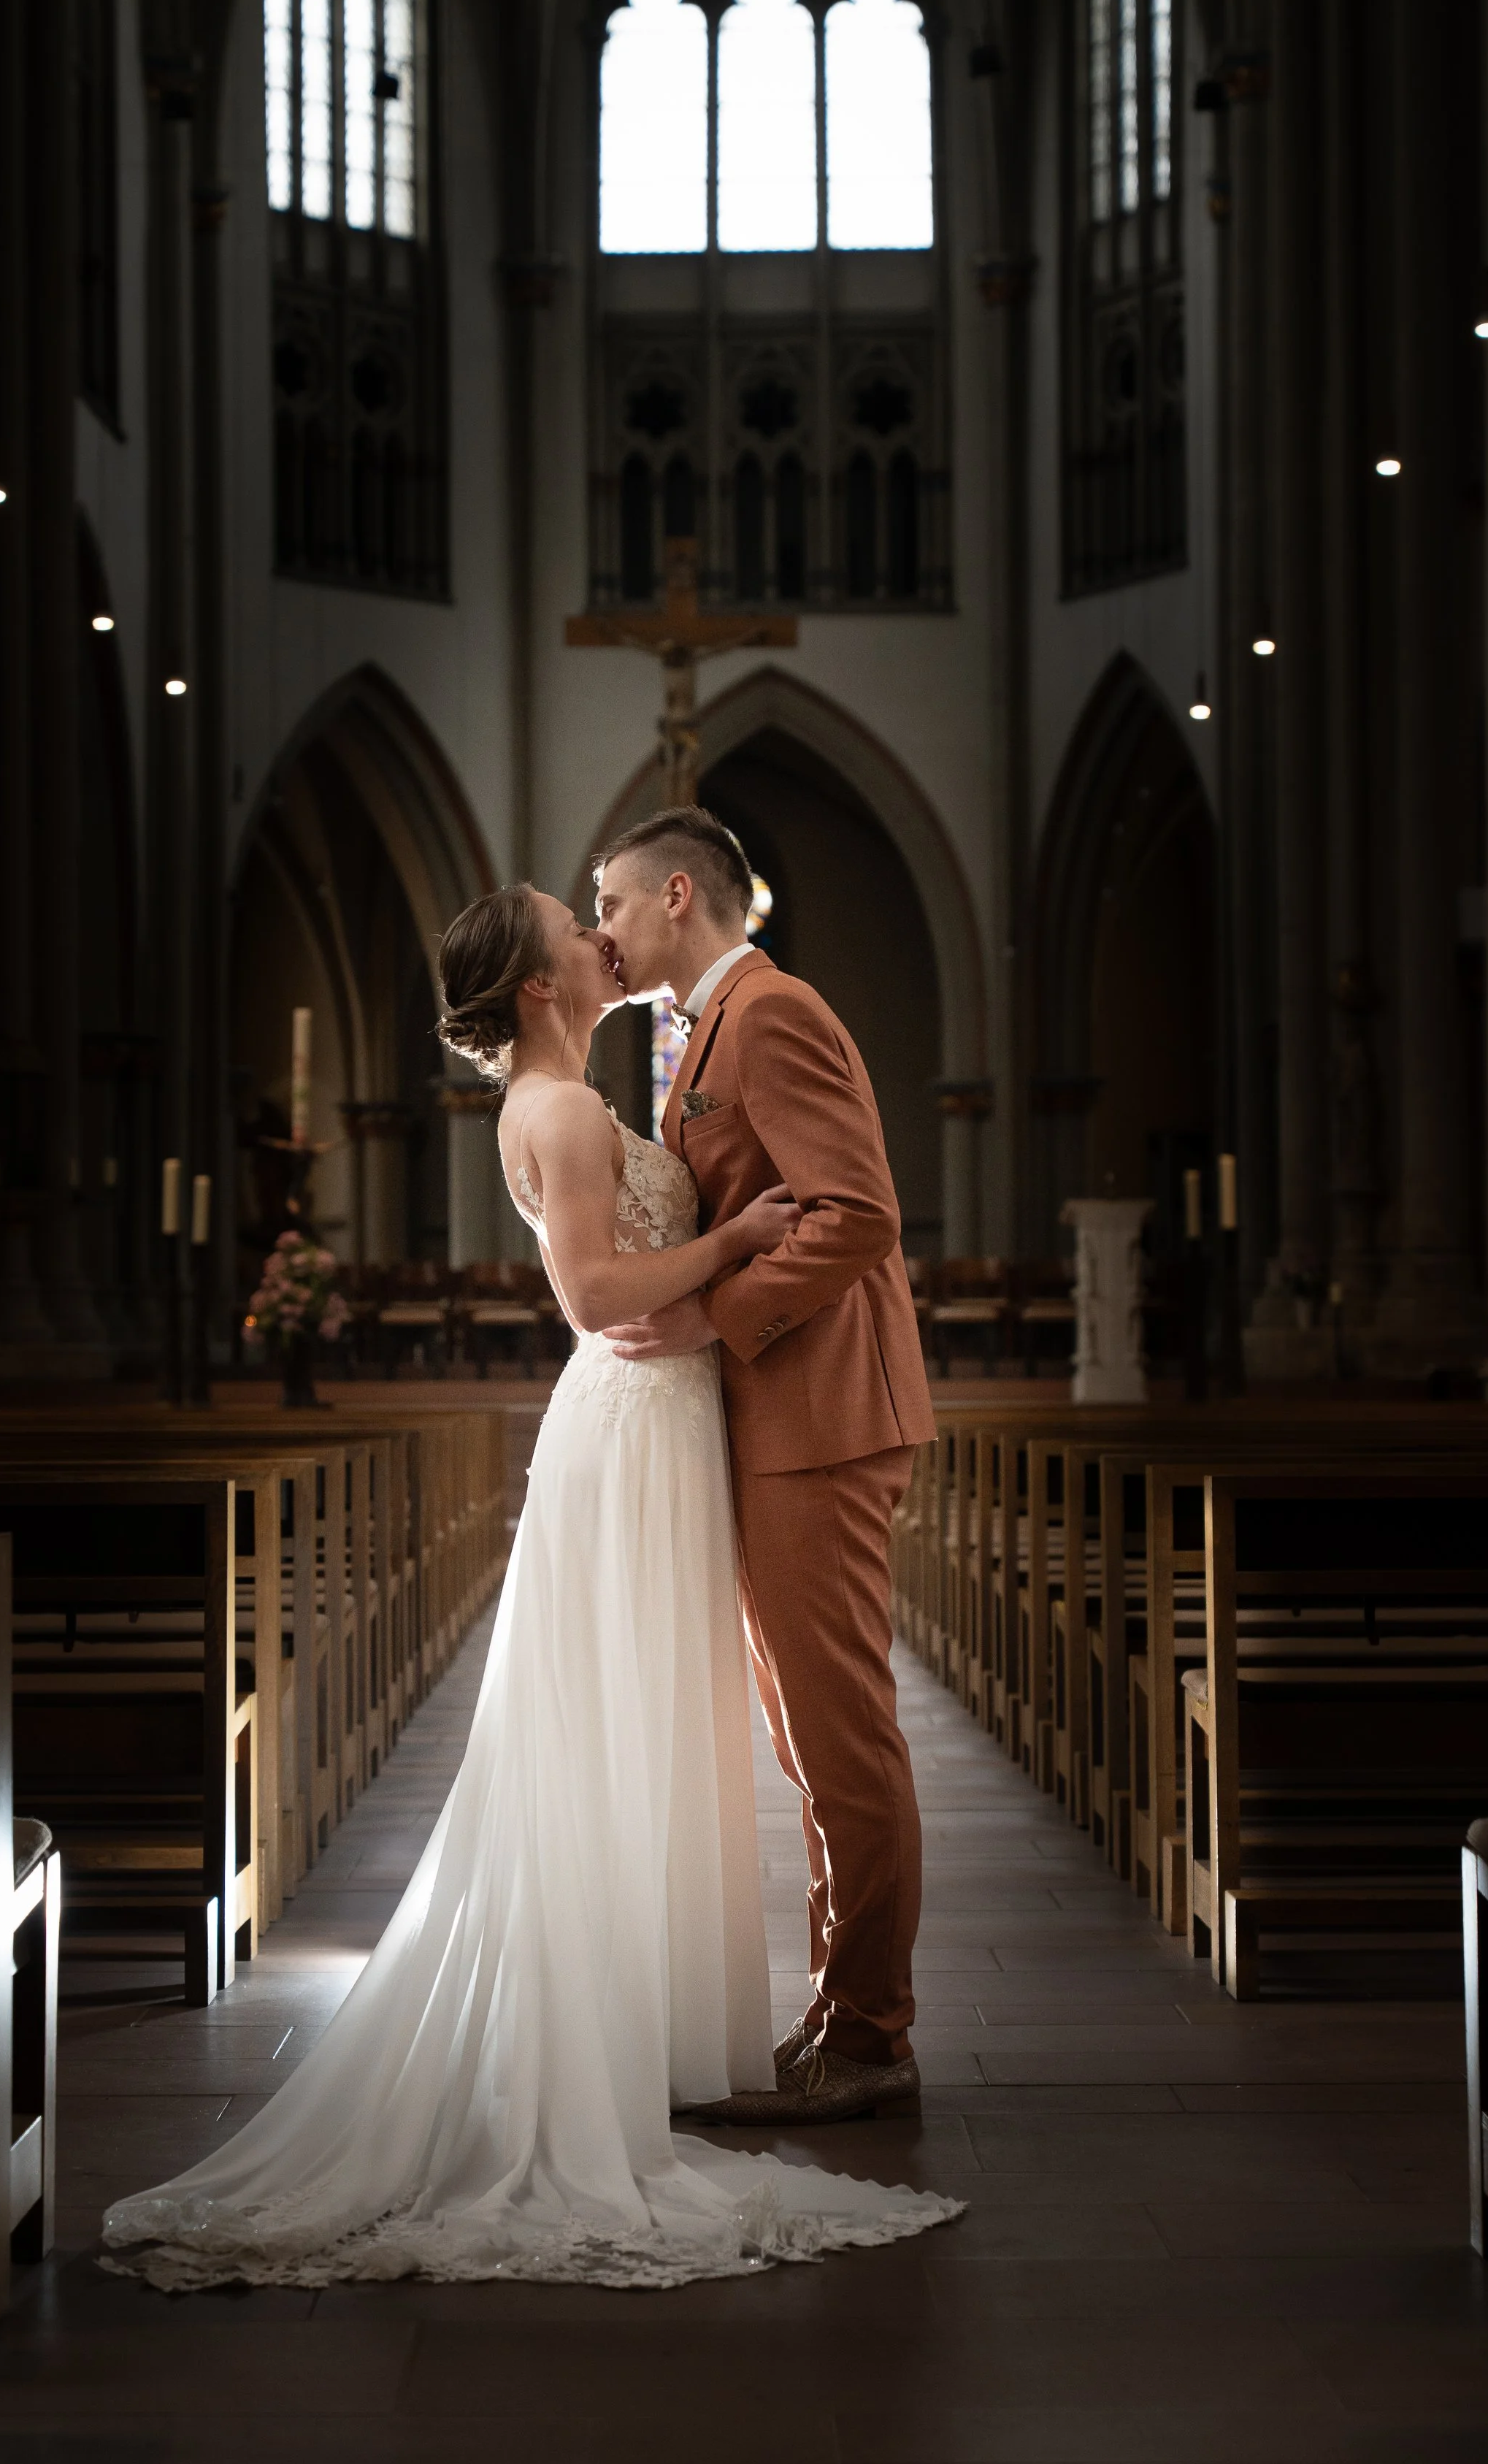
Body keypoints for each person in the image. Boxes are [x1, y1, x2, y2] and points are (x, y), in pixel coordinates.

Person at [101, 880, 960, 2290]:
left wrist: (714, 1280)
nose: (597, 926)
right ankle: (632, 2037)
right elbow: (594, 1299)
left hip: (677, 1420)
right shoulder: (557, 1112)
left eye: (603, 900)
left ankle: (677, 2028)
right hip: (633, 1422)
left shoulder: (605, 1081)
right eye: (580, 917)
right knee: (613, 1730)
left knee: (664, 1726)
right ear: (544, 983)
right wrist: (738, 1245)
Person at [595, 806, 936, 2126]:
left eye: (614, 903)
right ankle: (842, 2010)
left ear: (678, 893)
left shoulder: (773, 1011)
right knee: (808, 1730)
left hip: (821, 1414)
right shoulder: (711, 1026)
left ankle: (873, 2033)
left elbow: (858, 1213)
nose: (607, 930)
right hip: (780, 1416)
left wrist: (710, 1318)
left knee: (840, 1730)